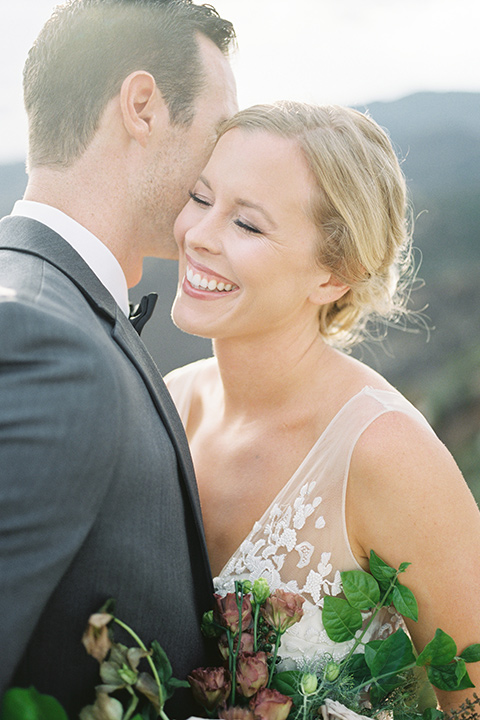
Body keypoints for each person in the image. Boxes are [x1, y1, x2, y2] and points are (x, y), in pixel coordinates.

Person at [166, 102, 480, 714]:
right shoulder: (166, 403)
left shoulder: (386, 453)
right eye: (201, 198)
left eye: (248, 225)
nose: (197, 234)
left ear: (336, 275)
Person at [0, 0, 237, 716]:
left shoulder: (53, 305)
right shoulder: (47, 345)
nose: (224, 162)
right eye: (219, 130)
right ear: (142, 107)